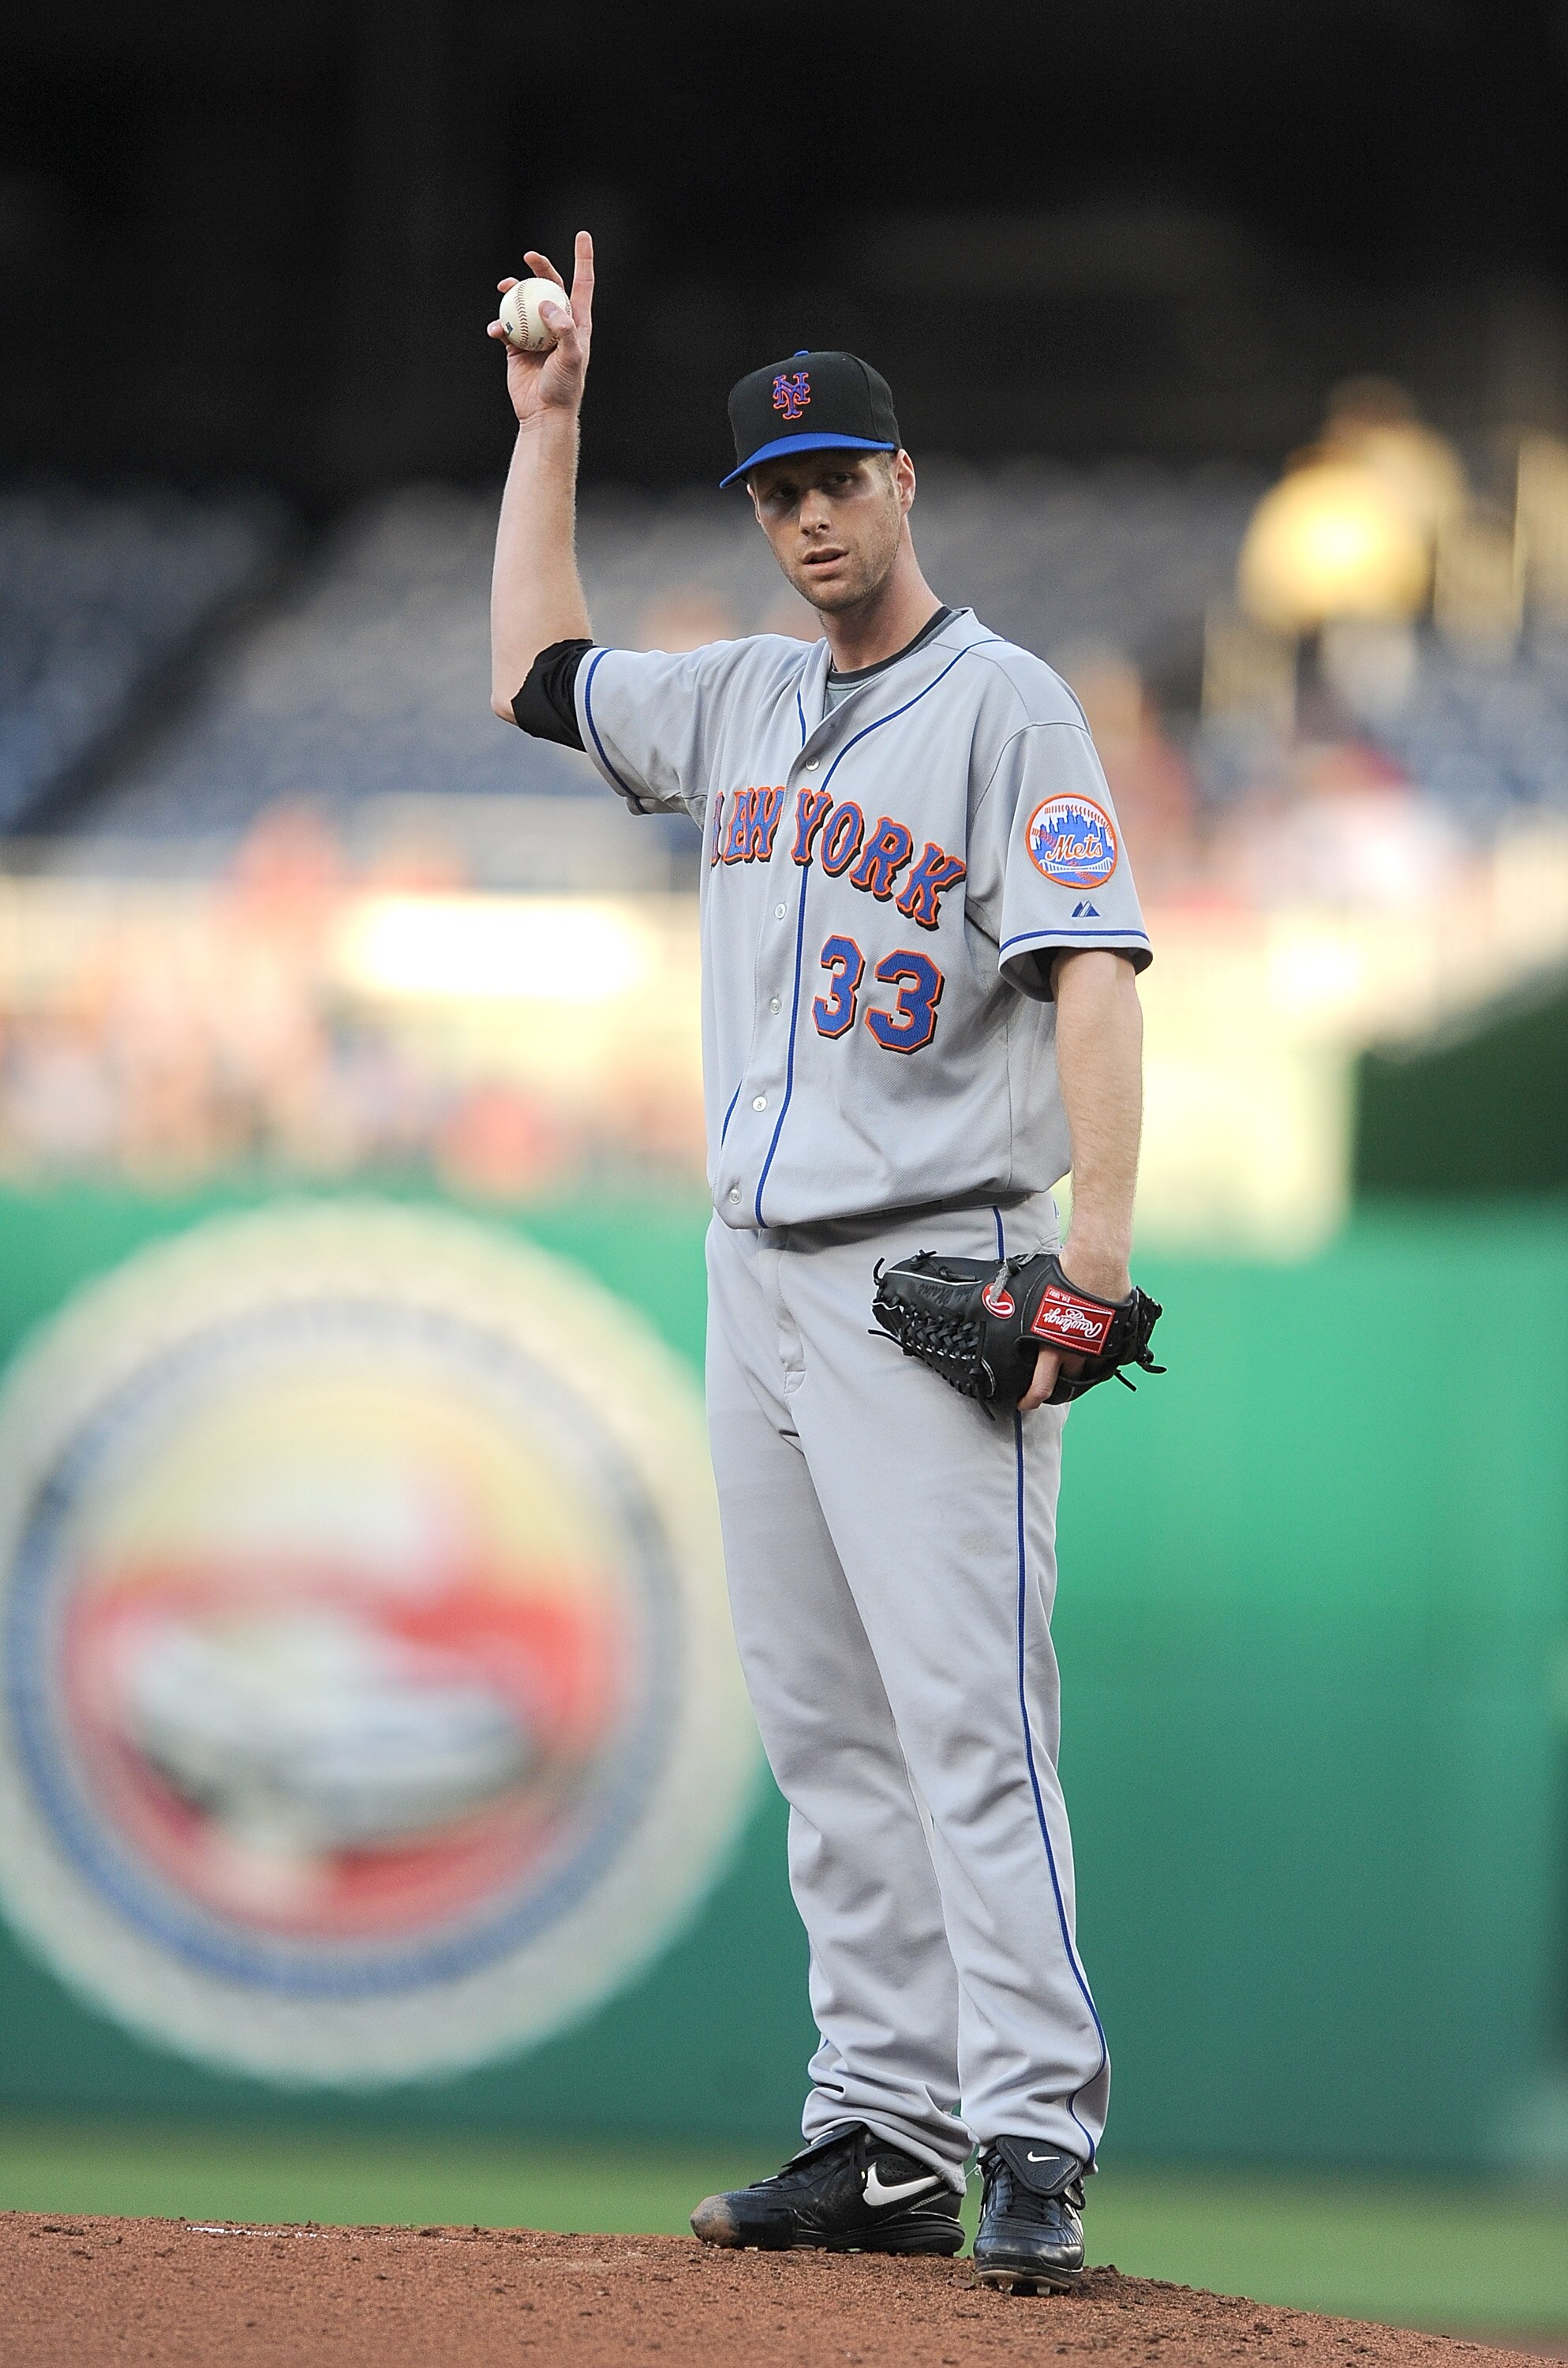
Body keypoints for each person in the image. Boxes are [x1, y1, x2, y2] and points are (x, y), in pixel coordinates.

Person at [488, 234, 1151, 2293]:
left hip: (932, 1263)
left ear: (902, 481)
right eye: (776, 492)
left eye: (835, 478)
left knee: (970, 1725)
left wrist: (1097, 1263)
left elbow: (1095, 979)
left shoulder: (1005, 702)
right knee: (821, 1727)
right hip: (756, 1271)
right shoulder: (747, 696)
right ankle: (879, 2132)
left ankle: (1029, 2130)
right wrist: (551, 428)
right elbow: (533, 676)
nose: (806, 516)